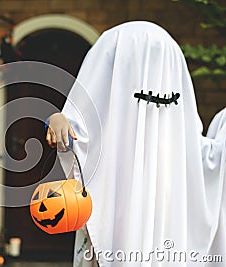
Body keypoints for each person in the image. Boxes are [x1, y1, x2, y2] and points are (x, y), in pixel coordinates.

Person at [46, 21, 226, 266]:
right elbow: (76, 135)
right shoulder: (110, 130)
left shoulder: (179, 140)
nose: (154, 85)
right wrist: (57, 121)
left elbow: (207, 162)